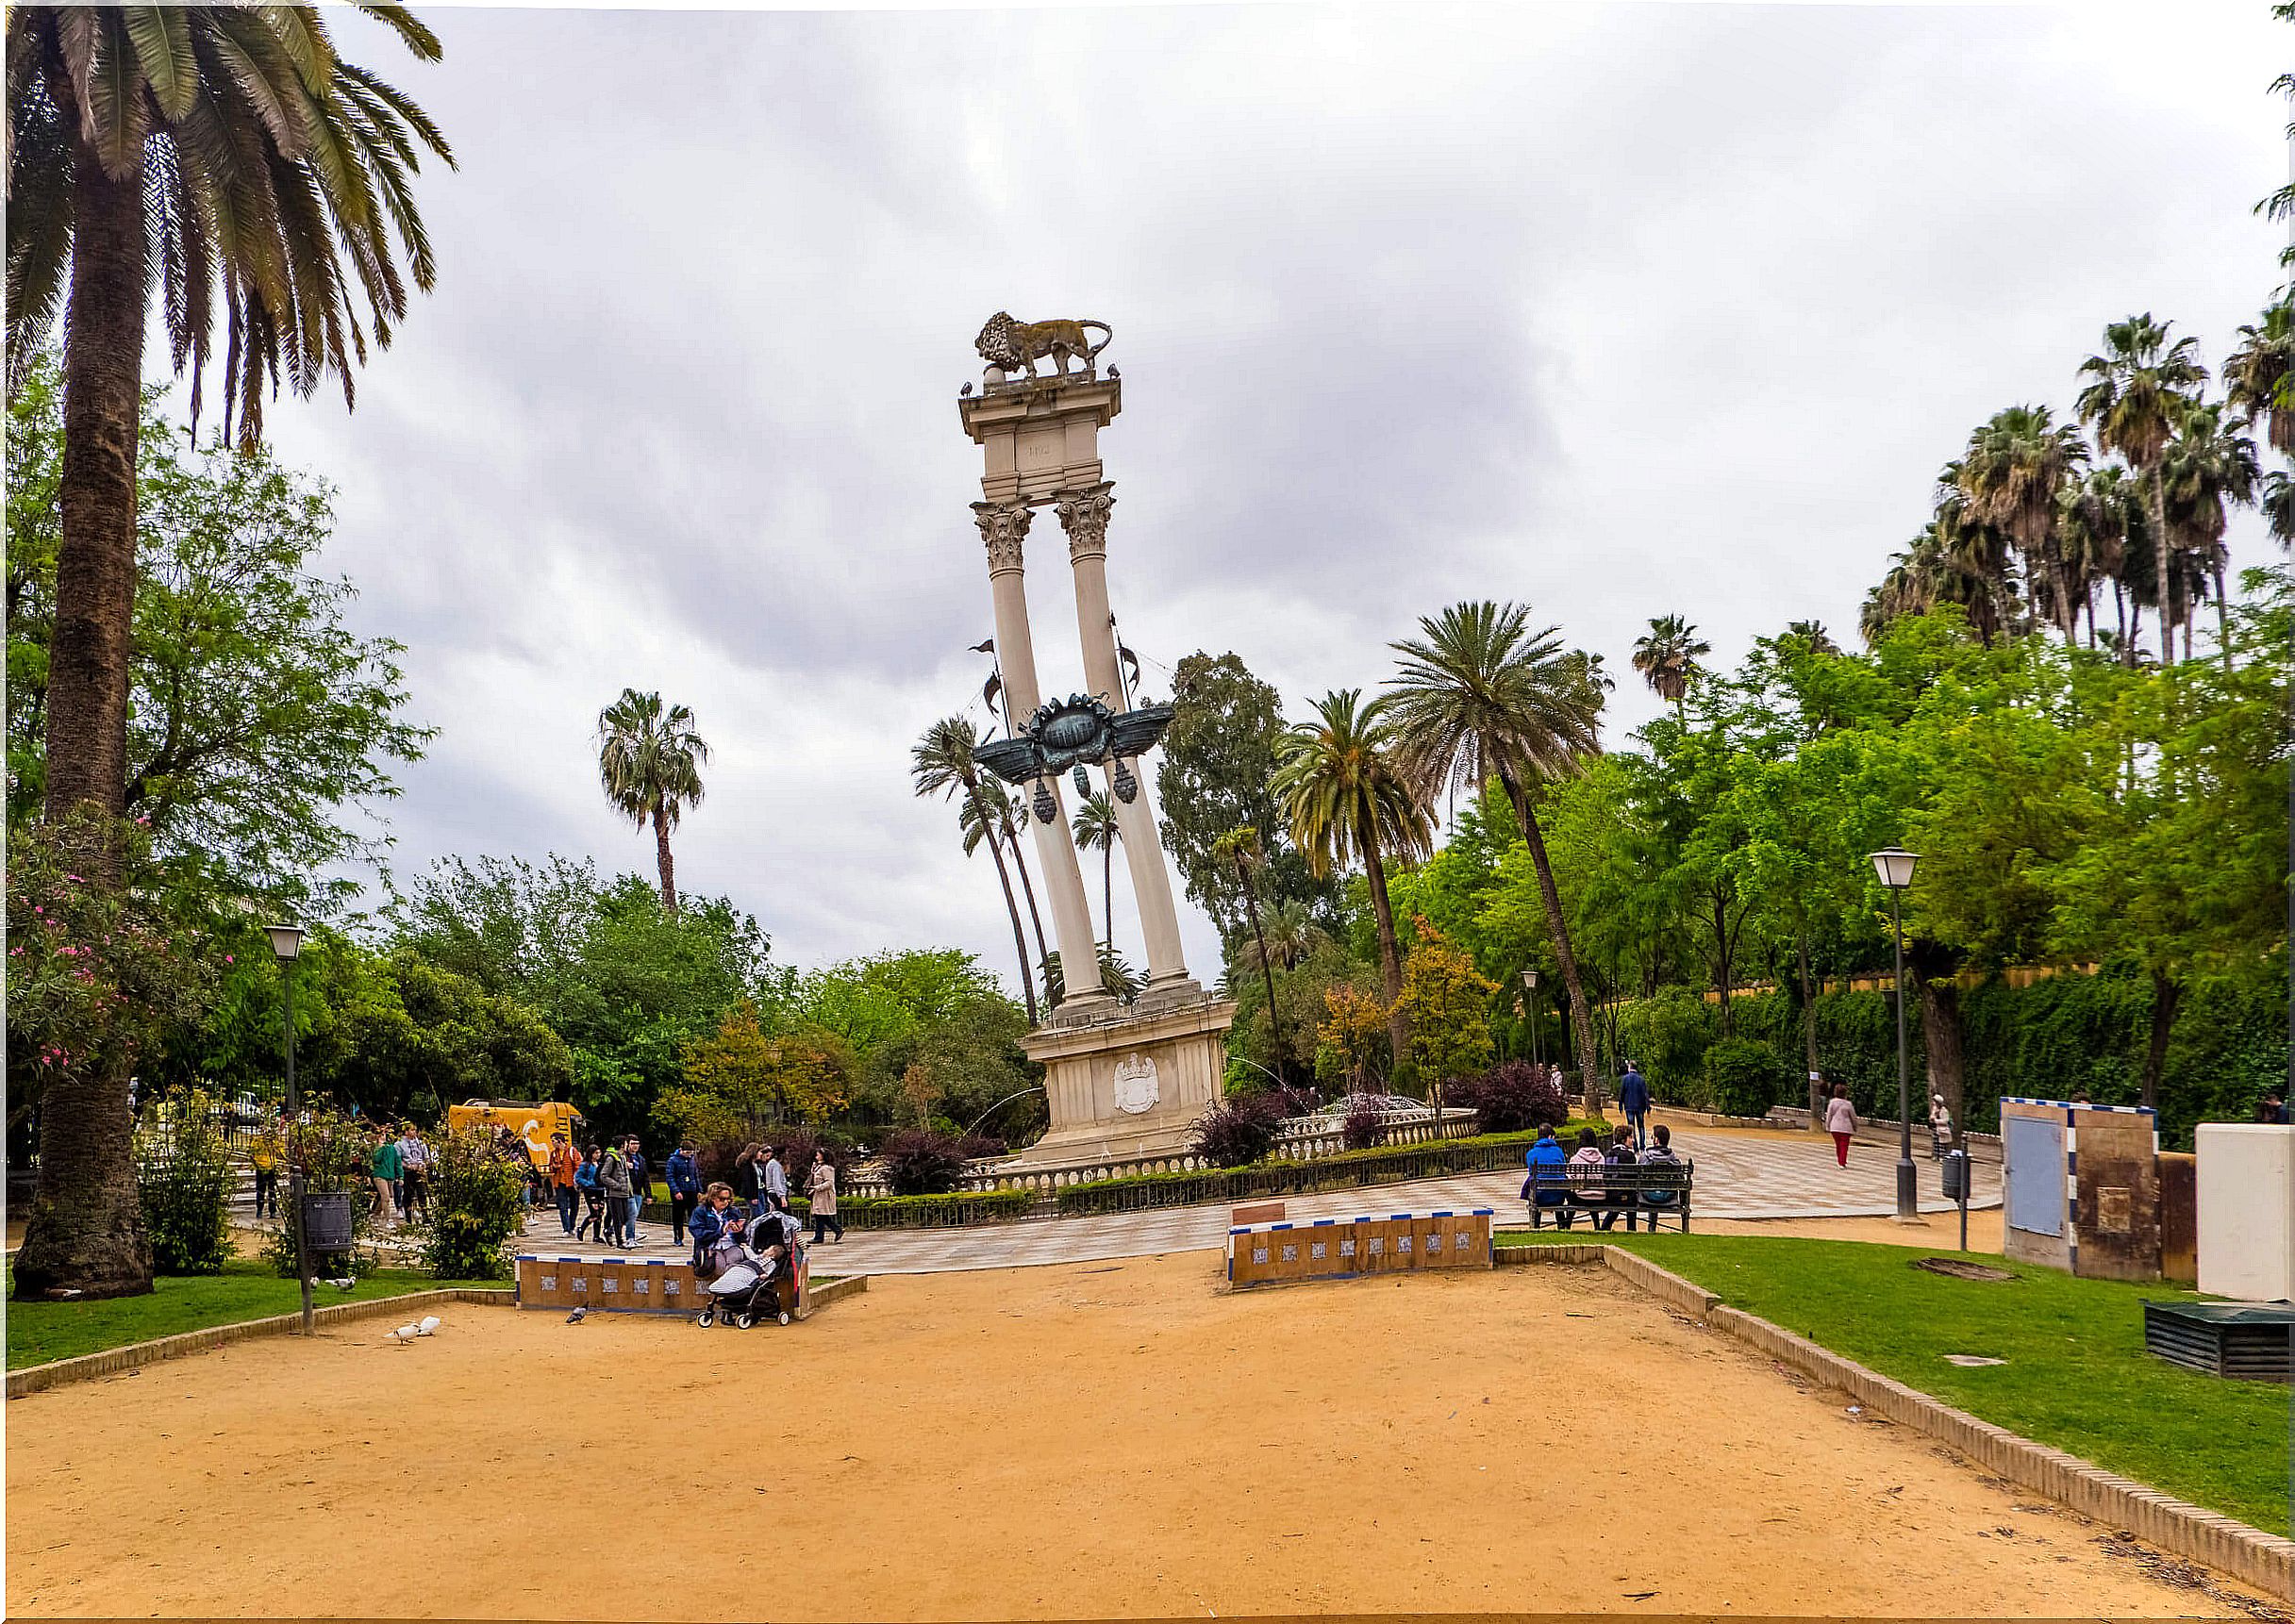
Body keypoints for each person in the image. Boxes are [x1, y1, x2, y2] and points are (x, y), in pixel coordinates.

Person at [1522, 1125, 1571, 1227]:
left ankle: (1535, 1225)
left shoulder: (1531, 1153)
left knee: (1533, 1184)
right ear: (1550, 1137)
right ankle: (1561, 1226)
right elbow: (1563, 1169)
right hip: (1558, 1195)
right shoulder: (1559, 1152)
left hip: (1539, 1196)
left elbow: (1531, 1173)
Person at [1638, 1122, 1685, 1228]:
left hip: (1646, 1199)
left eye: (1652, 1137)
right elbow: (1681, 1181)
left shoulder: (1644, 1158)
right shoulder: (1674, 1161)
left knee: (1650, 1186)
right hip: (1668, 1199)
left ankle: (1651, 1227)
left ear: (1656, 1140)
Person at [1596, 1125, 1639, 1232]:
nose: (1632, 1140)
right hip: (1626, 1198)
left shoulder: (1607, 1154)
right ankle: (1631, 1229)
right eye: (1630, 1137)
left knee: (1617, 1201)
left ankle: (1605, 1227)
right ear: (1623, 1139)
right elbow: (1633, 1178)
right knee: (1631, 1197)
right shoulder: (1629, 1156)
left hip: (1610, 1196)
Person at [665, 1140, 702, 1246]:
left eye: (690, 1153)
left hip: (692, 1190)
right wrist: (676, 1191)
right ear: (681, 1150)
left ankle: (697, 1237)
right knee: (678, 1216)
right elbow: (670, 1177)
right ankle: (678, 1238)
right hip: (680, 1191)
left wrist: (699, 1190)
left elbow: (696, 1175)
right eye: (686, 1152)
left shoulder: (692, 1160)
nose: (688, 1155)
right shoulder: (673, 1160)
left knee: (694, 1215)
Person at [598, 1140, 633, 1250]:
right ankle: (619, 1241)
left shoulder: (622, 1157)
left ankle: (609, 1230)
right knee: (618, 1218)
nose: (627, 1146)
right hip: (614, 1193)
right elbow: (603, 1175)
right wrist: (616, 1185)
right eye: (626, 1143)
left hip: (625, 1193)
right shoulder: (611, 1158)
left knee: (625, 1217)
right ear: (622, 1145)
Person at [248, 1114, 283, 1220]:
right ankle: (261, 1210)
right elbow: (252, 1153)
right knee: (263, 1190)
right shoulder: (259, 1141)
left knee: (269, 1190)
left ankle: (270, 1211)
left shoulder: (271, 1140)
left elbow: (280, 1151)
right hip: (262, 1167)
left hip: (269, 1166)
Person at [548, 1133, 583, 1237]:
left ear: (560, 1141)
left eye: (553, 1141)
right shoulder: (554, 1154)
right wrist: (554, 1166)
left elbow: (578, 1165)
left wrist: (577, 1179)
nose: (552, 1143)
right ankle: (566, 1228)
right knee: (562, 1206)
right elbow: (551, 1167)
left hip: (572, 1182)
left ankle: (572, 1226)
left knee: (574, 1206)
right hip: (560, 1183)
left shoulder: (572, 1151)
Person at [806, 1149, 843, 1244]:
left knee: (821, 1215)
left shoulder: (826, 1168)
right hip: (818, 1195)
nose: (816, 1157)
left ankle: (822, 1235)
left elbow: (829, 1183)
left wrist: (817, 1188)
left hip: (824, 1195)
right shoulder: (818, 1167)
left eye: (818, 1155)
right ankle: (832, 1231)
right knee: (820, 1215)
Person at [396, 1125, 431, 1224]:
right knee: (408, 1195)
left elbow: (427, 1158)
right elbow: (398, 1160)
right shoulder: (399, 1145)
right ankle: (408, 1217)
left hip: (419, 1171)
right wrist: (409, 1166)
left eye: (415, 1130)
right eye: (412, 1130)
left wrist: (423, 1165)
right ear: (406, 1132)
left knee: (422, 1193)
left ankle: (425, 1216)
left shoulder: (421, 1144)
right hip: (408, 1172)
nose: (414, 1132)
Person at [368, 1125, 401, 1227]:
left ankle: (374, 1215)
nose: (383, 1137)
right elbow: (375, 1160)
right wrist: (381, 1148)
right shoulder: (375, 1148)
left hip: (390, 1175)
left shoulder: (391, 1148)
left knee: (385, 1198)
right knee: (386, 1197)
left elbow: (397, 1162)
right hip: (379, 1175)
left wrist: (400, 1176)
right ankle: (388, 1219)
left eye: (384, 1134)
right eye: (381, 1135)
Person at [622, 1135, 651, 1246]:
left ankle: (614, 1229)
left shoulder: (641, 1159)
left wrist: (648, 1194)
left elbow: (645, 1177)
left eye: (637, 1143)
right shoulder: (624, 1157)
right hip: (627, 1191)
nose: (635, 1146)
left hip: (638, 1191)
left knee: (633, 1215)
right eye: (632, 1143)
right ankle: (630, 1237)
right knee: (632, 1214)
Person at [574, 1145, 607, 1242]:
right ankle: (582, 1228)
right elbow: (578, 1177)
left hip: (600, 1190)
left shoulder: (600, 1164)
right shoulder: (585, 1165)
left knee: (600, 1213)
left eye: (599, 1153)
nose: (598, 1155)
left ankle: (596, 1236)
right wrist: (588, 1183)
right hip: (590, 1191)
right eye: (596, 1153)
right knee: (594, 1213)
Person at [1616, 1060, 1651, 1150]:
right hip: (1640, 1107)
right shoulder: (1641, 1079)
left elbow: (1622, 1093)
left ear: (1629, 1067)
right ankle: (1642, 1146)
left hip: (1629, 1106)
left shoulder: (1625, 1079)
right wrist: (1648, 1107)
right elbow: (1645, 1094)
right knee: (1641, 1126)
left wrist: (1620, 1105)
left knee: (1631, 1127)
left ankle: (1634, 1146)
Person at [1824, 1083, 1857, 1168]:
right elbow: (1853, 1117)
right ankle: (1842, 1162)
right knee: (1844, 1146)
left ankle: (1840, 1160)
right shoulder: (1848, 1104)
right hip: (1846, 1128)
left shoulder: (1832, 1102)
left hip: (1834, 1127)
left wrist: (1827, 1125)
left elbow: (1829, 1115)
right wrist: (1855, 1126)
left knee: (1838, 1145)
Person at [762, 1145, 790, 1214]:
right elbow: (777, 1182)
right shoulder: (775, 1165)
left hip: (773, 1193)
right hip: (776, 1194)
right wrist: (782, 1197)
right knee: (785, 1215)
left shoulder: (771, 1163)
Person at [1927, 1092, 1954, 1160]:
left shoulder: (1944, 1110)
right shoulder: (1934, 1109)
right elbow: (1931, 1118)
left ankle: (1942, 1157)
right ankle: (1936, 1156)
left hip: (1942, 1129)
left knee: (1942, 1144)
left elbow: (1945, 1120)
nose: (1933, 1103)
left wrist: (1936, 1120)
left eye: (1935, 1101)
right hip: (1935, 1128)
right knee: (1936, 1143)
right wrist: (1933, 1116)